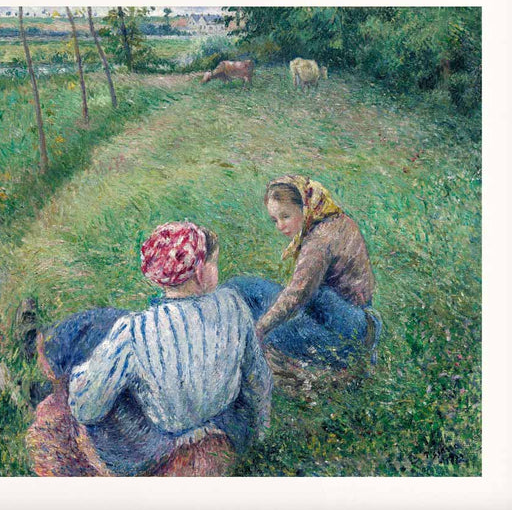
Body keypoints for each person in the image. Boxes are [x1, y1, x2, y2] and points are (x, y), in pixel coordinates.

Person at [25, 221, 272, 476]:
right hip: (222, 423)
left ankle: (47, 360)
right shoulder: (233, 304)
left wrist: (76, 386)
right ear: (200, 273)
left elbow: (87, 409)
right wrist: (259, 428)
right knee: (104, 329)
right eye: (214, 263)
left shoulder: (135, 330)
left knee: (98, 338)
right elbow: (257, 377)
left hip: (157, 444)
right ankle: (47, 352)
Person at [226, 175, 381, 369]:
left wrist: (260, 330)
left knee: (260, 320)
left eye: (285, 216)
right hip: (346, 312)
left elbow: (296, 295)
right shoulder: (336, 220)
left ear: (304, 207)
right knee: (243, 287)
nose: (280, 226)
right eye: (275, 220)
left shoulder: (320, 240)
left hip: (345, 328)